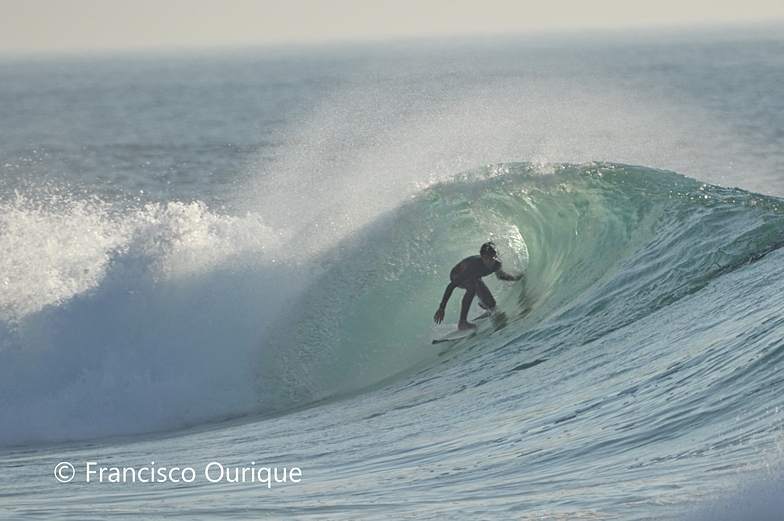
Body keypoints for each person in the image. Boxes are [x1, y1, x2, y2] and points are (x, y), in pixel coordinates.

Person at [434, 242, 523, 330]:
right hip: (456, 275)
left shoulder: (497, 264)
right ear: (481, 256)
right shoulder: (474, 265)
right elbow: (452, 285)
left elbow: (501, 276)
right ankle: (462, 322)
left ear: (496, 256)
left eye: (492, 258)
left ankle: (484, 305)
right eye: (486, 258)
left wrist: (515, 278)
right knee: (473, 286)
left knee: (492, 305)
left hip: (474, 278)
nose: (488, 261)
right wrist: (442, 307)